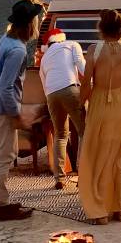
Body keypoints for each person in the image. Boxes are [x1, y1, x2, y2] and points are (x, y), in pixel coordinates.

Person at [78, 10, 121, 225]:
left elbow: (86, 82)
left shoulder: (95, 50)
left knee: (95, 156)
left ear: (100, 28)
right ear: (120, 29)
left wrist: (79, 104)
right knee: (117, 158)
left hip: (100, 103)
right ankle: (120, 209)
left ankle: (99, 210)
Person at [0, 0, 43, 221]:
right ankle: (2, 205)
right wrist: (15, 114)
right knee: (5, 156)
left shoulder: (5, 40)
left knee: (6, 153)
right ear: (28, 25)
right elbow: (5, 87)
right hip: (3, 109)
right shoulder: (17, 50)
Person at [38, 27, 86, 190]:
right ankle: (83, 175)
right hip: (70, 89)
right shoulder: (72, 45)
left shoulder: (44, 58)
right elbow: (81, 66)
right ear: (61, 38)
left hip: (51, 95)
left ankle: (59, 178)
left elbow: (44, 82)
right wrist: (93, 82)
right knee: (83, 132)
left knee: (60, 135)